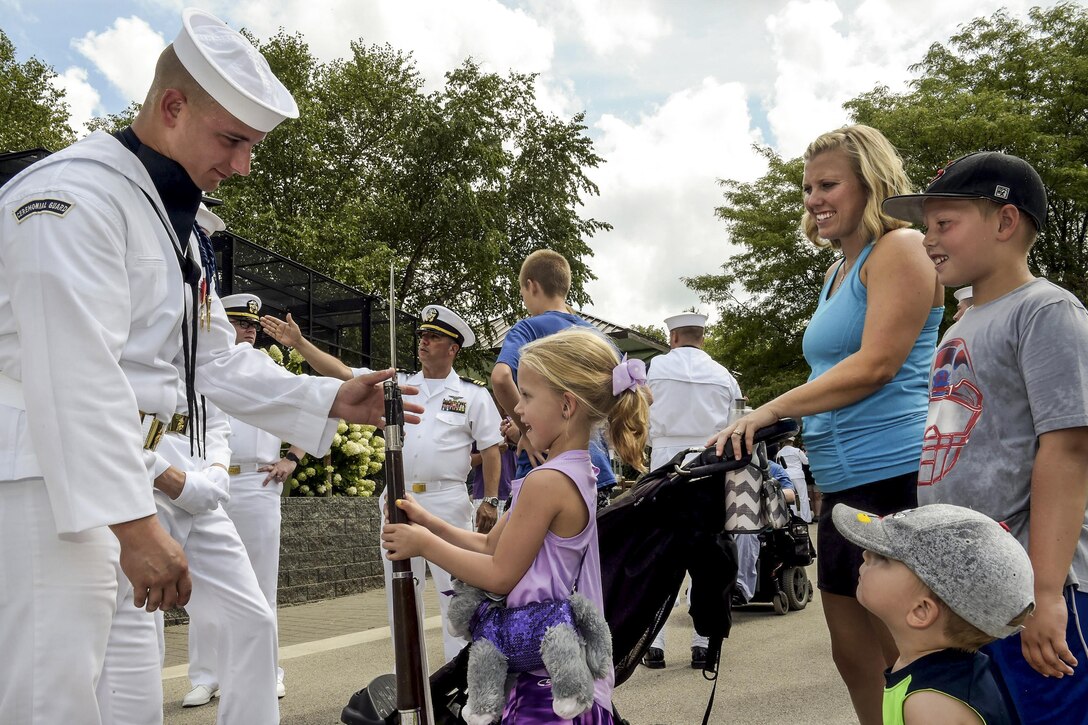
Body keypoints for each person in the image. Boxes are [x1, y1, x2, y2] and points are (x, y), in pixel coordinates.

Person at [0, 9, 414, 724]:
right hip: (49, 481)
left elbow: (212, 360)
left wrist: (328, 399)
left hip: (123, 477)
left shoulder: (172, 225)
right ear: (171, 106)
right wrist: (134, 525)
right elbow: (74, 373)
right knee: (50, 696)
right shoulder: (75, 196)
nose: (243, 165)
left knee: (127, 696)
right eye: (232, 140)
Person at [709, 124, 944, 725]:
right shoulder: (838, 271)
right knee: (851, 653)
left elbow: (877, 365)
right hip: (839, 483)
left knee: (911, 655)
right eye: (808, 187)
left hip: (894, 475)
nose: (814, 198)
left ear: (870, 183)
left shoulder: (902, 247)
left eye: (828, 184)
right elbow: (833, 371)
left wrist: (772, 408)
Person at [882, 151, 1088, 724]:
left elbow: (1069, 449)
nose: (928, 240)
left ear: (1005, 222)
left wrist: (1047, 594)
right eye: (927, 227)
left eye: (945, 224)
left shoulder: (1046, 311)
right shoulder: (964, 322)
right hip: (975, 588)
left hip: (1036, 587)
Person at [382, 327, 650, 722]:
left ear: (566, 405)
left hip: (545, 682)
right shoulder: (572, 472)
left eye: (526, 396)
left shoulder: (548, 482)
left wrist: (422, 544)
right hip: (546, 668)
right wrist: (429, 522)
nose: (517, 410)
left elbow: (499, 574)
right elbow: (490, 546)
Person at [262, 304, 503, 662]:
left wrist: (491, 500)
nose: (423, 342)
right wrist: (299, 344)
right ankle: (409, 679)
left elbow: (492, 450)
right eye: (422, 335)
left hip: (448, 501)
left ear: (453, 348)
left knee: (457, 596)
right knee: (401, 592)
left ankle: (459, 678)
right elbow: (343, 373)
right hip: (400, 501)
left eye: (433, 337)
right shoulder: (399, 384)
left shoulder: (473, 395)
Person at [181, 293, 306, 708]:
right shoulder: (199, 366)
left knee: (259, 582)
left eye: (254, 324)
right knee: (200, 585)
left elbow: (309, 406)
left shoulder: (267, 366)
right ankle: (206, 675)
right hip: (207, 483)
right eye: (240, 322)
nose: (249, 329)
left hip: (257, 481)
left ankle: (268, 671)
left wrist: (292, 457)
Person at [833, 503, 1034, 725]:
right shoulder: (926, 671)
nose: (865, 554)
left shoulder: (930, 704)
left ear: (921, 611)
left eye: (883, 558)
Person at [643, 311, 741, 669]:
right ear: (703, 337)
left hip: (666, 465)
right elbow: (736, 425)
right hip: (710, 465)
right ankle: (704, 643)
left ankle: (654, 643)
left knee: (661, 556)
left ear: (672, 338)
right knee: (707, 559)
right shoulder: (724, 376)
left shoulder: (653, 369)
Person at [491, 249, 618, 508]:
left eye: (523, 293)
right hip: (594, 471)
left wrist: (527, 430)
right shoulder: (596, 337)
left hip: (541, 468)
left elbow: (502, 377)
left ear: (531, 285)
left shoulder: (528, 328)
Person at [776, 435, 813, 522]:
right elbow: (806, 462)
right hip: (798, 475)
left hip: (787, 475)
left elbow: (779, 465)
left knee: (791, 498)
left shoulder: (780, 452)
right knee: (803, 497)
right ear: (792, 442)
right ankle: (806, 519)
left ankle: (793, 518)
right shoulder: (797, 451)